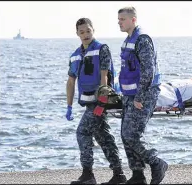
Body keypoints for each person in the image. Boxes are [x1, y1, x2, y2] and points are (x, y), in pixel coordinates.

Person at [66, 18, 126, 185]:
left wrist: (102, 103)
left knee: (82, 132)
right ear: (77, 33)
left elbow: (104, 76)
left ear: (93, 30)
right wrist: (69, 106)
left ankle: (88, 175)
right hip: (89, 103)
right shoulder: (75, 56)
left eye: (88, 31)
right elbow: (71, 82)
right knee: (103, 136)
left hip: (101, 102)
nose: (85, 35)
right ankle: (119, 174)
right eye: (82, 32)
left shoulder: (101, 49)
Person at [117, 7, 167, 184]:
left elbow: (148, 71)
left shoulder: (142, 39)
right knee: (125, 135)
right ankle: (138, 175)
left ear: (133, 20)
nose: (119, 22)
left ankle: (156, 163)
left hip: (144, 94)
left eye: (123, 19)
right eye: (119, 19)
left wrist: (139, 97)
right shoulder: (128, 40)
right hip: (129, 94)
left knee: (132, 135)